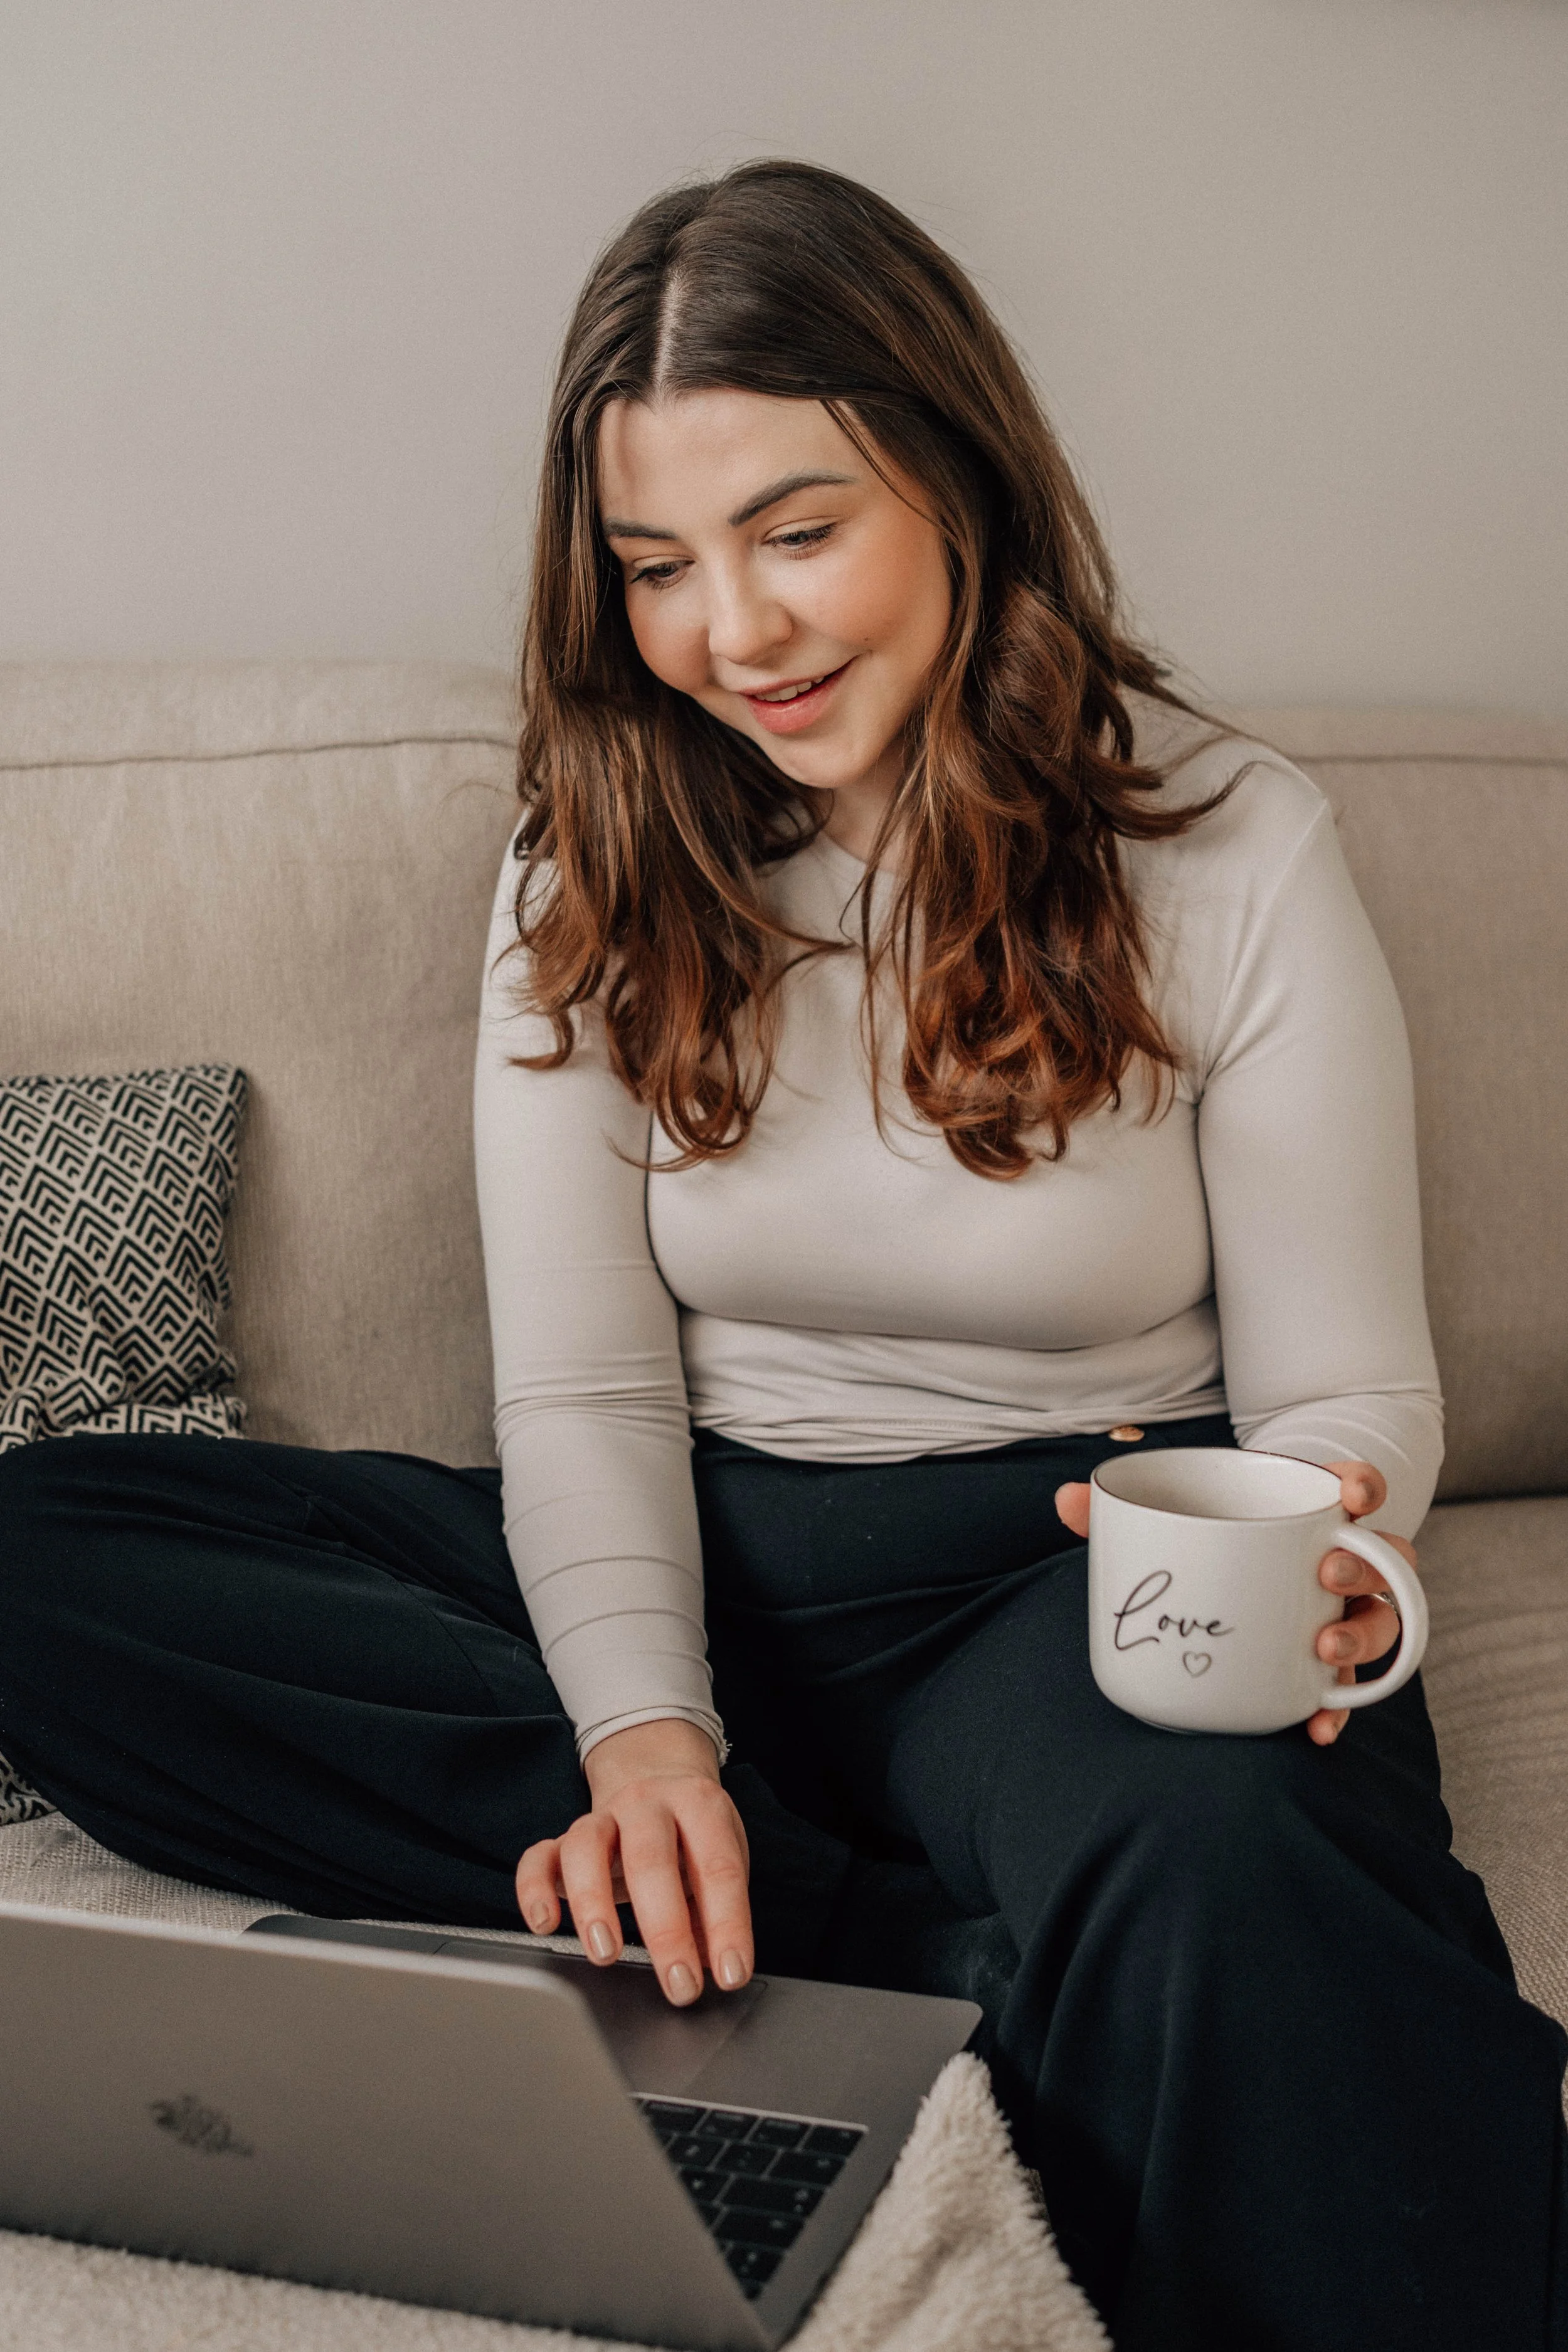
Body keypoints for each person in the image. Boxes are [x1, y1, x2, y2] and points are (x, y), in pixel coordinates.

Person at [0, 160, 1562, 2351]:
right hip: (713, 1551)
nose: (731, 629)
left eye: (795, 529)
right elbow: (581, 1392)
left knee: (1228, 1856)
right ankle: (921, 1947)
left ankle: (947, 1930)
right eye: (656, 563)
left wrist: (1334, 1552)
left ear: (956, 475)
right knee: (46, 1541)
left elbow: (1338, 1397)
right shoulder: (592, 850)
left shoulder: (1226, 842)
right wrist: (644, 1740)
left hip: (1063, 1559)